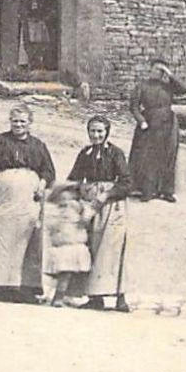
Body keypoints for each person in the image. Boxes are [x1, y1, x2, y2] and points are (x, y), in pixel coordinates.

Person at [0, 105, 57, 301]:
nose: (18, 125)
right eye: (15, 121)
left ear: (30, 123)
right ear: (10, 121)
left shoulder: (38, 145)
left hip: (27, 202)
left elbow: (49, 171)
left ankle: (23, 288)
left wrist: (42, 182)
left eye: (23, 121)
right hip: (1, 198)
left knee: (25, 241)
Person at [67, 115, 133, 312]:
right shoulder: (85, 154)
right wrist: (77, 195)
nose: (96, 135)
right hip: (90, 205)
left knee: (111, 250)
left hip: (112, 206)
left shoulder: (115, 153)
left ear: (107, 133)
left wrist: (106, 195)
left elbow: (126, 182)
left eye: (100, 131)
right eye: (92, 131)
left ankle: (120, 298)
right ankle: (95, 298)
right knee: (91, 248)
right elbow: (74, 178)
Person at [129, 61, 186, 202]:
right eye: (157, 69)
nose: (159, 72)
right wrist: (141, 121)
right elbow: (134, 107)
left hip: (169, 123)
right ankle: (146, 190)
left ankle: (167, 191)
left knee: (168, 156)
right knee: (147, 157)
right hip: (149, 123)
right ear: (150, 70)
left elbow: (184, 90)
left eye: (162, 70)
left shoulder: (168, 86)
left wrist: (170, 74)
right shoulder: (142, 86)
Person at [42, 183, 93, 308]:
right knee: (64, 273)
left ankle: (64, 296)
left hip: (70, 244)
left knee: (66, 273)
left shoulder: (71, 208)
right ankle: (58, 297)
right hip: (67, 244)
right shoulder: (64, 210)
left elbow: (84, 219)